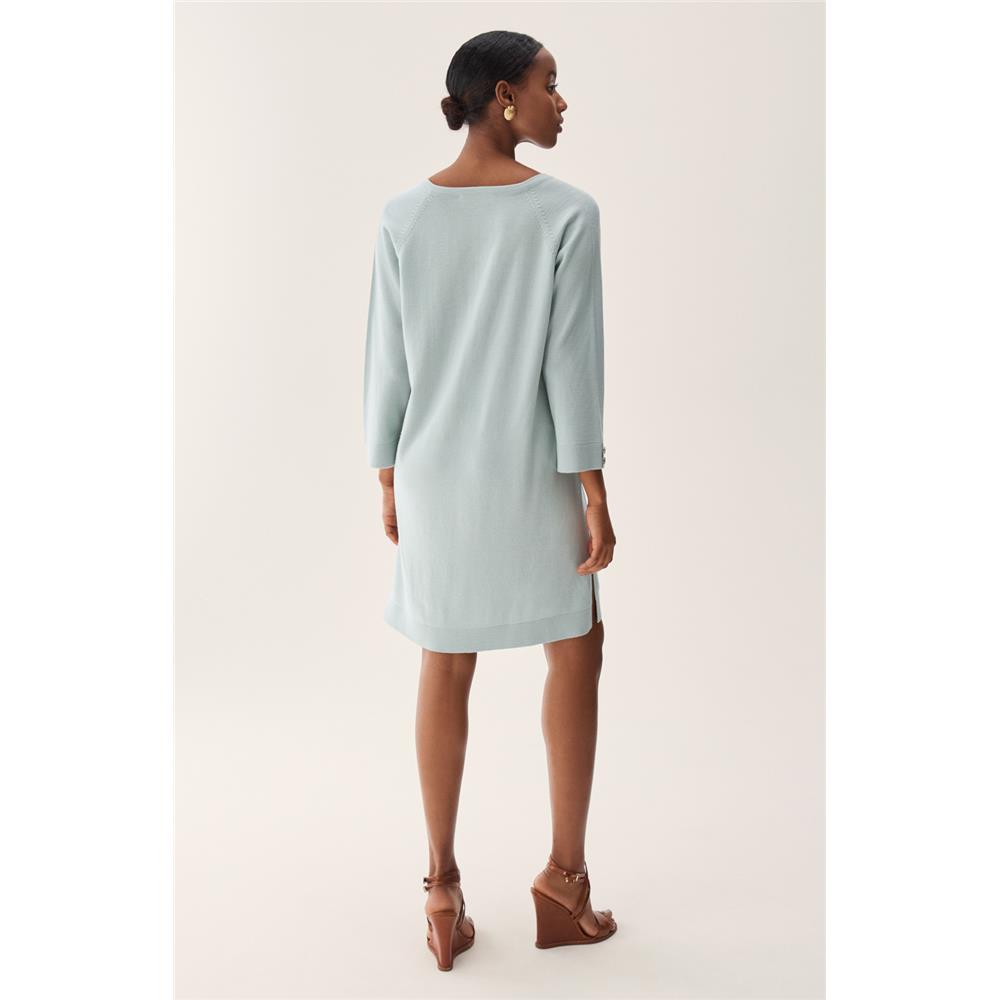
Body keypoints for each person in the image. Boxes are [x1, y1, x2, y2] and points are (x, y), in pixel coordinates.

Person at [362, 30, 618, 971]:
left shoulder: (403, 216)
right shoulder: (567, 213)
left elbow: (386, 360)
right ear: (505, 95)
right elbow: (570, 367)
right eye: (552, 84)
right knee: (577, 645)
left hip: (433, 474)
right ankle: (564, 880)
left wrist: (387, 471)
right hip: (533, 473)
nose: (562, 101)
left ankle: (440, 887)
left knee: (445, 659)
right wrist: (594, 487)